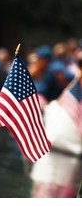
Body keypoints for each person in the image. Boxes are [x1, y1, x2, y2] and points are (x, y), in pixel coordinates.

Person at [30, 52, 82, 198]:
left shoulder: (54, 70)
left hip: (63, 163)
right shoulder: (71, 88)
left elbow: (41, 93)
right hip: (56, 160)